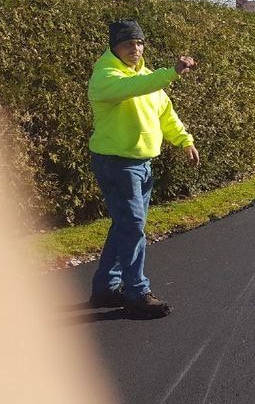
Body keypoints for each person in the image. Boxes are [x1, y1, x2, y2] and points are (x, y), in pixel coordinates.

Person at [87, 19, 199, 319]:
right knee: (133, 226)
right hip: (116, 163)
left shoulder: (148, 77)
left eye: (138, 43)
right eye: (127, 44)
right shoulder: (106, 76)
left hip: (142, 163)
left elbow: (165, 113)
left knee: (126, 226)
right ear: (114, 47)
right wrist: (172, 72)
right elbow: (133, 88)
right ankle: (136, 292)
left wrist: (185, 141)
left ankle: (105, 289)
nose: (135, 49)